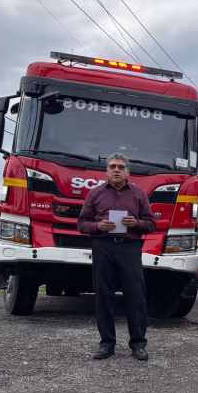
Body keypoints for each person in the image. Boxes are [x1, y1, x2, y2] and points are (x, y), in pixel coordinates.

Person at [77, 153, 155, 361]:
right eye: (112, 167)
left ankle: (138, 344)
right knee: (103, 296)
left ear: (128, 172)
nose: (116, 170)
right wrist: (98, 226)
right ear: (106, 171)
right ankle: (107, 344)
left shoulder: (139, 194)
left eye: (121, 167)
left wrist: (137, 223)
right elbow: (81, 224)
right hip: (103, 247)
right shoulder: (95, 194)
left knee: (136, 297)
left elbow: (151, 224)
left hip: (130, 249)